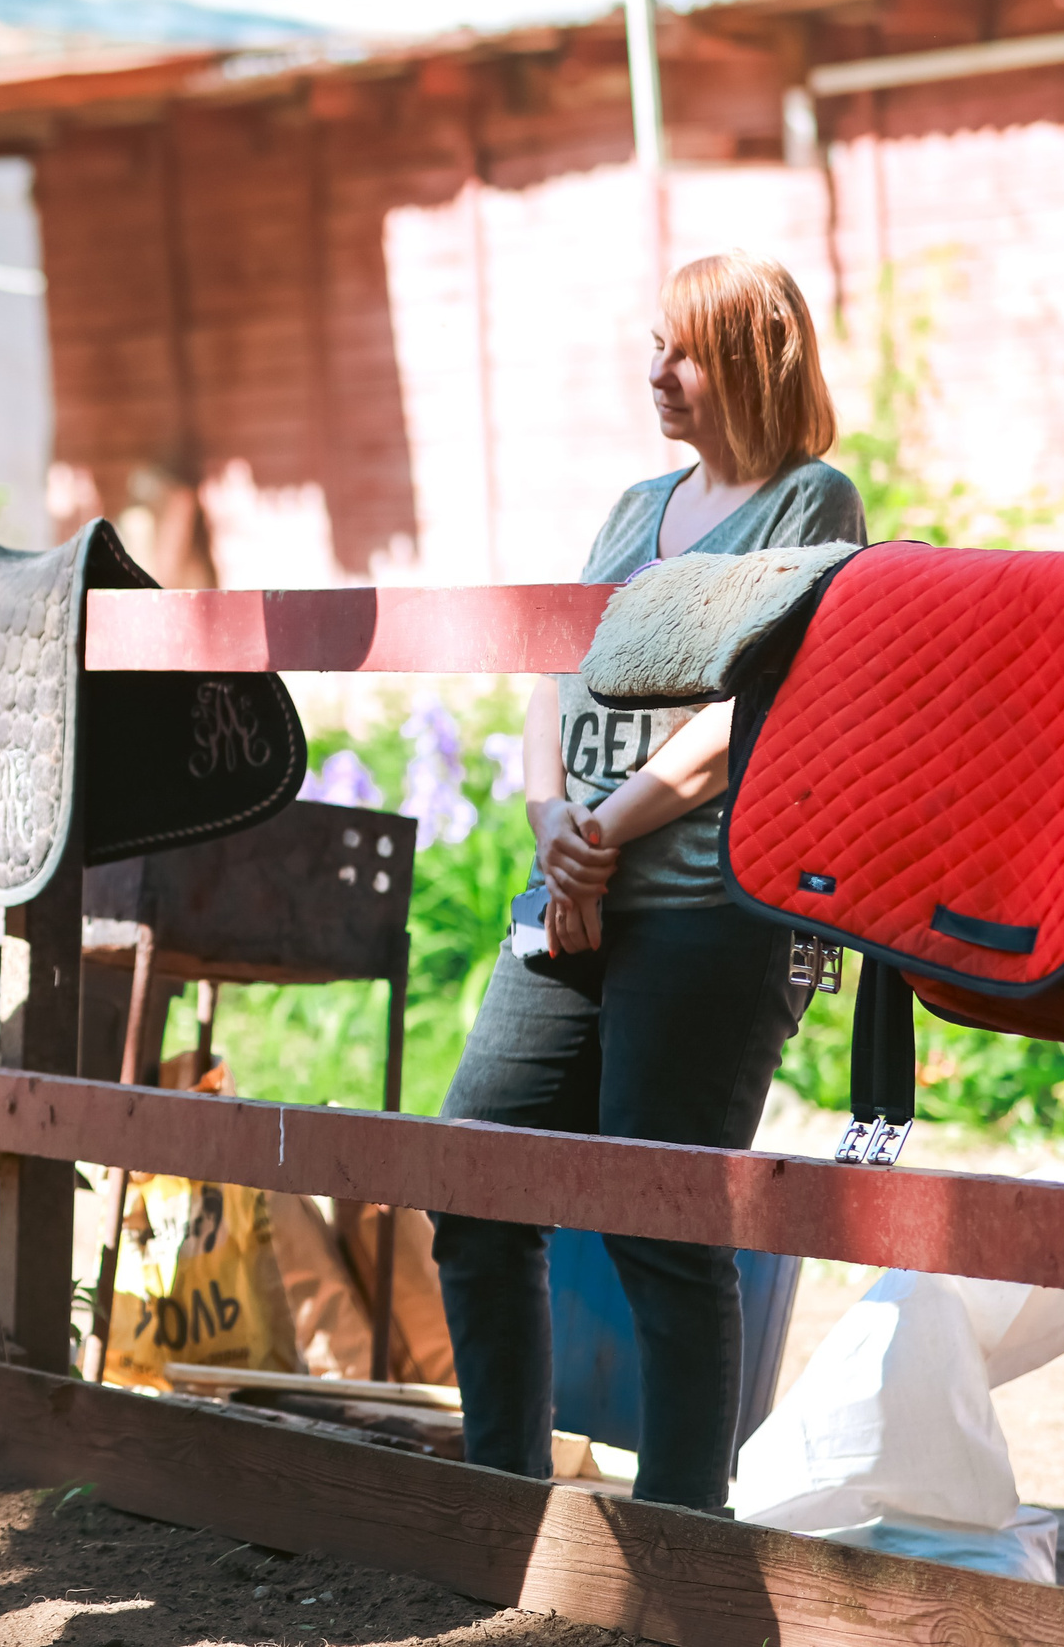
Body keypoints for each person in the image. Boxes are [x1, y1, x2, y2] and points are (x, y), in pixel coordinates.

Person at [429, 248, 865, 1512]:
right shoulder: (633, 507)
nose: (655, 374)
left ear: (748, 360)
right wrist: (550, 823)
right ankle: (500, 1503)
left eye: (679, 350)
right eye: (652, 348)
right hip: (575, 888)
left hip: (705, 914)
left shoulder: (810, 504)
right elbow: (550, 671)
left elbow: (750, 713)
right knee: (474, 1177)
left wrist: (602, 834)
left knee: (661, 1224)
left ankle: (683, 1535)